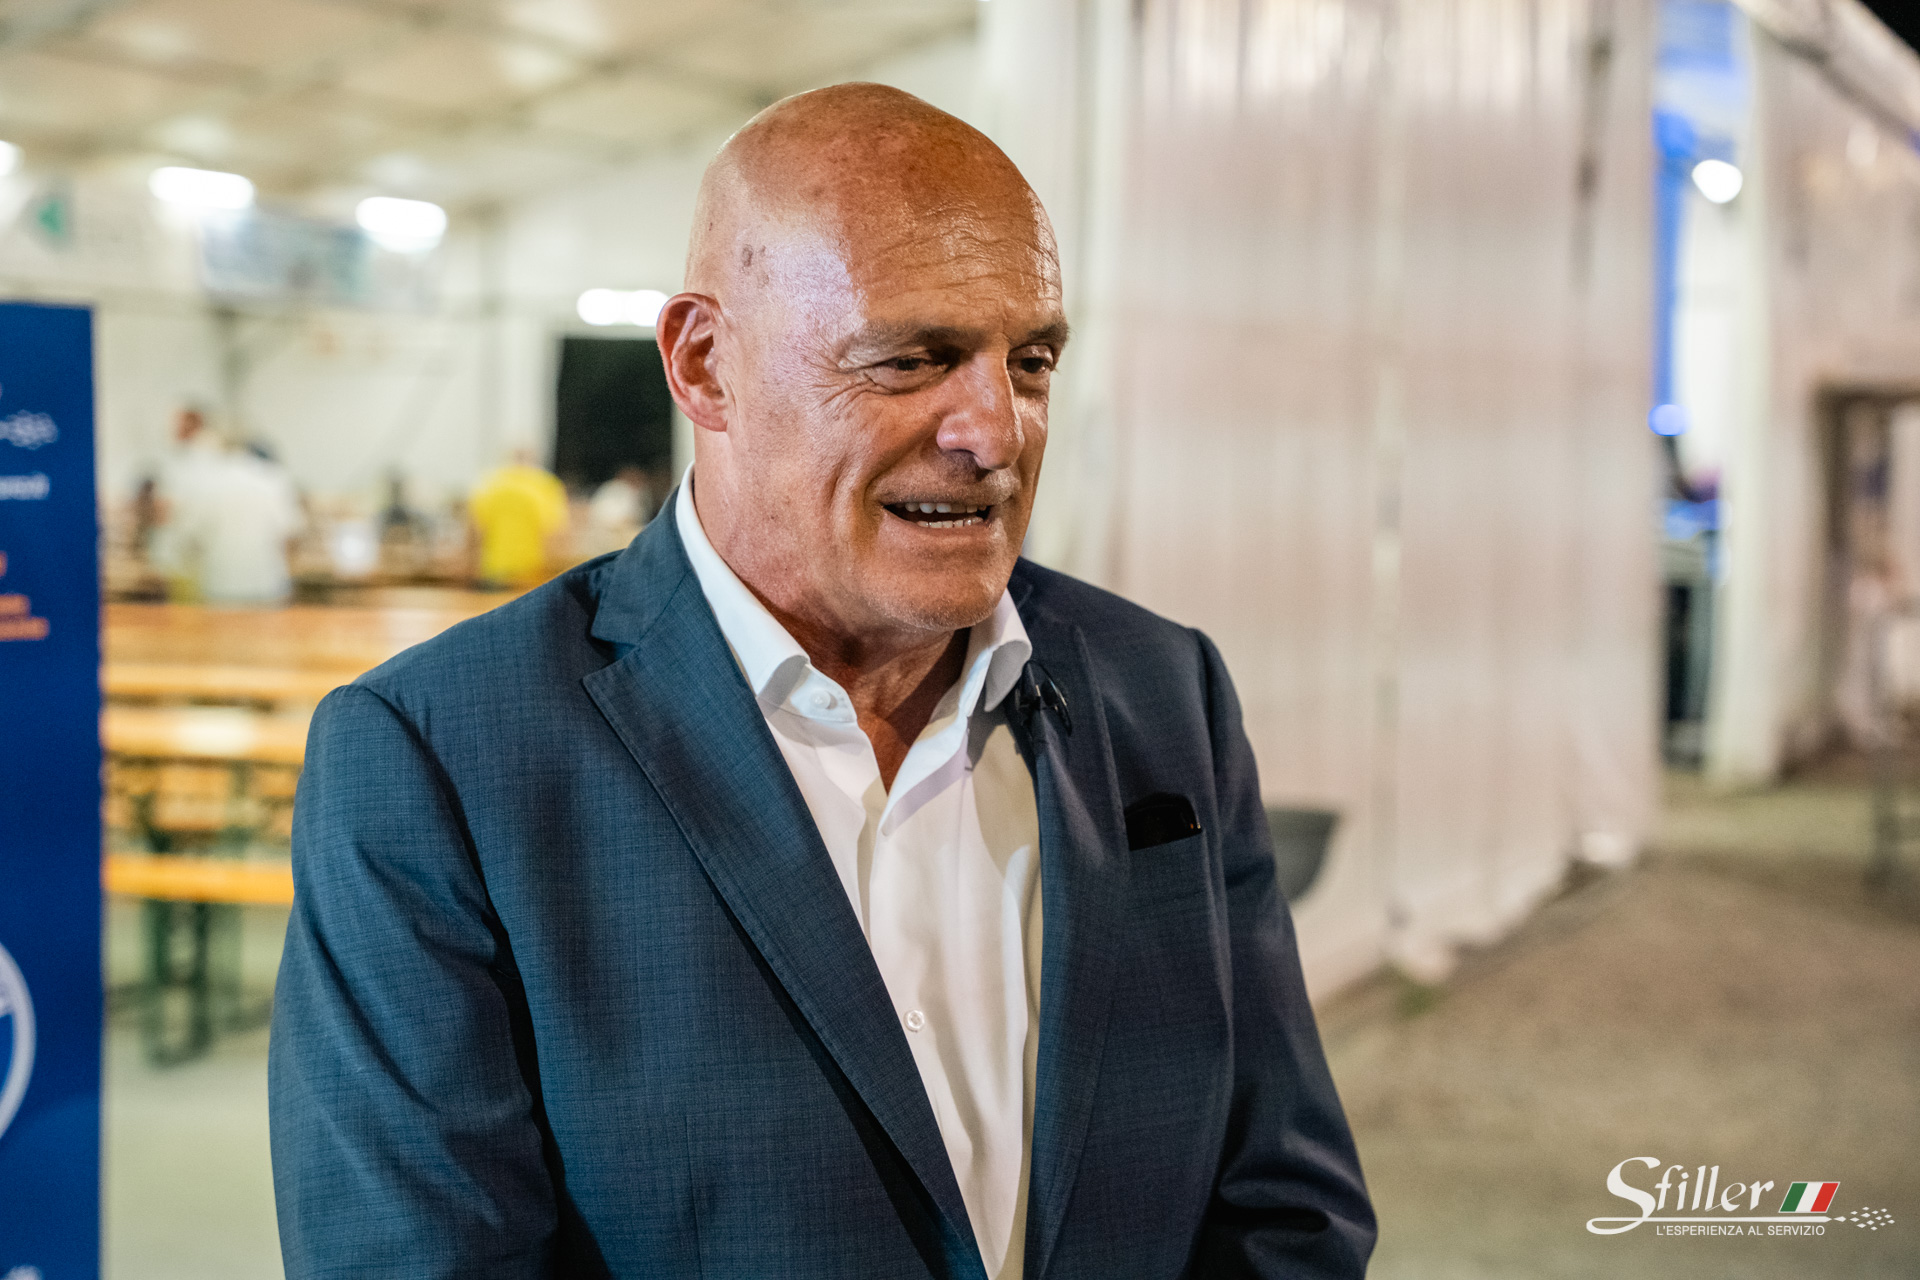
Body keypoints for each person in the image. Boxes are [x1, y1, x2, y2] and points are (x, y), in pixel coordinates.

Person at [270, 84, 1375, 1279]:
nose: (996, 431)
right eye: (912, 359)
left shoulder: (1162, 691)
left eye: (1031, 361)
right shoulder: (442, 756)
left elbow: (1286, 1206)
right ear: (705, 366)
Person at [468, 448, 569, 587]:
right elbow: (555, 534)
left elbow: (475, 531)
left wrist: (473, 565)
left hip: (494, 569)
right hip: (532, 572)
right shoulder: (546, 486)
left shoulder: (490, 484)